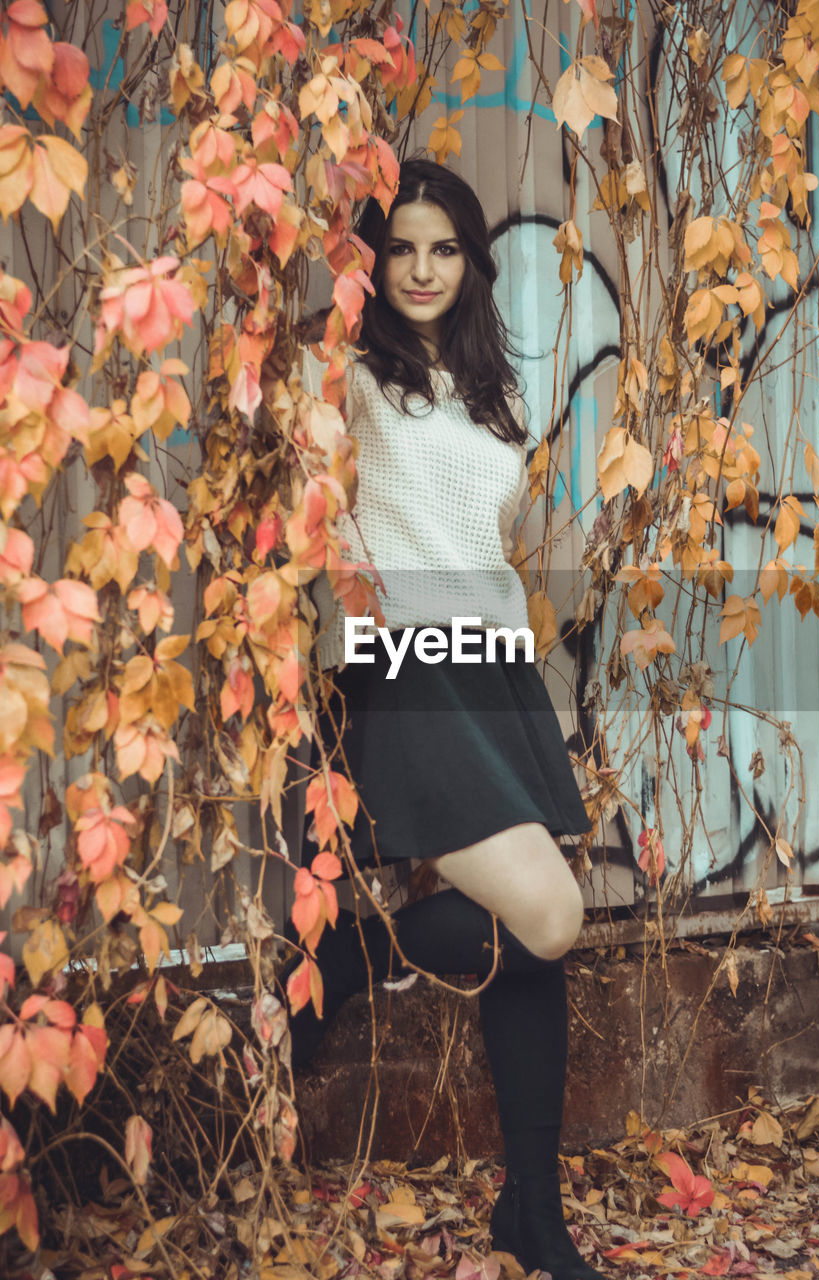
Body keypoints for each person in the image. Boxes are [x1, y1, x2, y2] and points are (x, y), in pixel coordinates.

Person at [289, 158, 604, 1280]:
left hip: (486, 666)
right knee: (552, 912)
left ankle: (533, 1210)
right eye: (401, 248)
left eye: (443, 248)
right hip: (402, 665)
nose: (420, 269)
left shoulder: (490, 388)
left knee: (529, 946)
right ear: (375, 262)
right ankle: (353, 945)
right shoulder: (350, 377)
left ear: (471, 261)